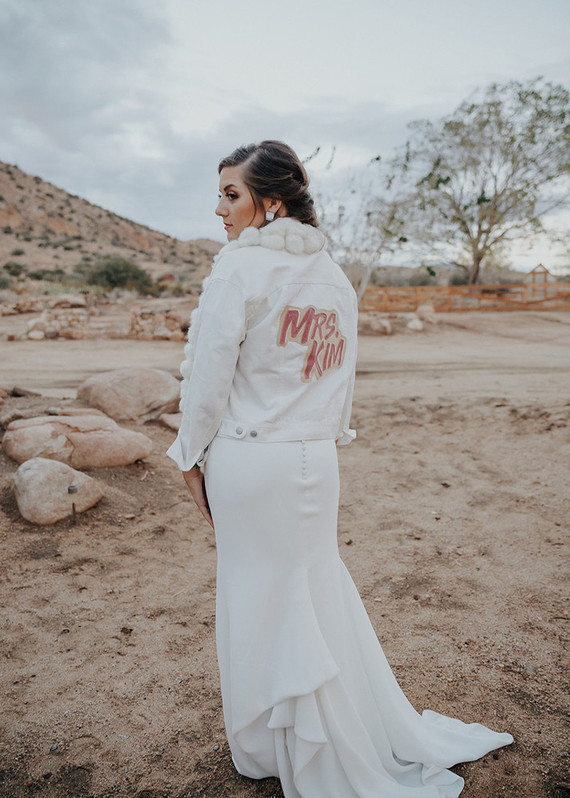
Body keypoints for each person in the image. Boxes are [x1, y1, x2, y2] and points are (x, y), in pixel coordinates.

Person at [167, 140, 513, 798]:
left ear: (270, 203)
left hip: (252, 459)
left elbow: (208, 383)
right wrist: (322, 437)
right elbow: (338, 382)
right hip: (315, 463)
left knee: (258, 596)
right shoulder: (332, 279)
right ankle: (327, 732)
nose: (219, 209)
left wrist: (189, 455)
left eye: (231, 195)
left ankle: (276, 744)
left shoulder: (239, 270)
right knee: (310, 593)